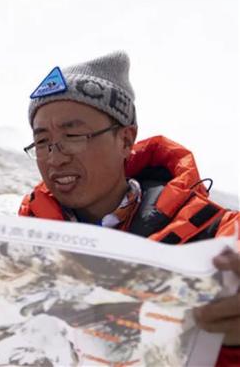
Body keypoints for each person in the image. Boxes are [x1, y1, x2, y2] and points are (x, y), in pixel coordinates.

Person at [19, 51, 239, 365]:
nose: (55, 158)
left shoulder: (222, 241)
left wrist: (233, 346)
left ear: (125, 140)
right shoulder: (21, 246)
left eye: (73, 135)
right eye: (42, 142)